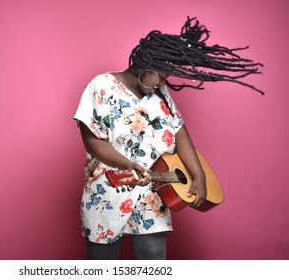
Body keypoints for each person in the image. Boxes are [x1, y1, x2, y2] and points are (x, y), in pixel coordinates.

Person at [73, 17, 263, 260]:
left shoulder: (160, 93)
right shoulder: (100, 86)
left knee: (155, 265)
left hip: (154, 191)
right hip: (108, 190)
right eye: (161, 75)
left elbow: (179, 131)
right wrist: (127, 164)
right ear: (145, 65)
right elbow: (92, 140)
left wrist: (198, 175)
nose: (165, 81)